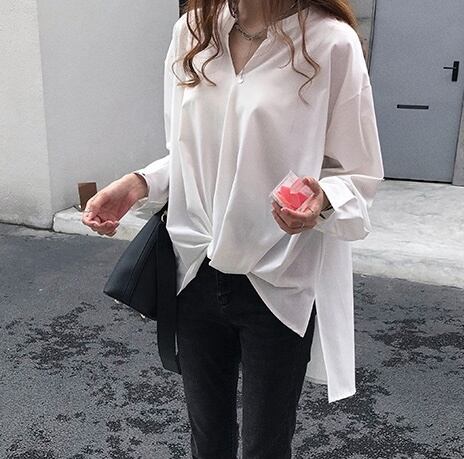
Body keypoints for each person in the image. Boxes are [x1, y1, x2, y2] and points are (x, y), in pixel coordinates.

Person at [82, 0, 384, 457]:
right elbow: (187, 152)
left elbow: (358, 174)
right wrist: (140, 183)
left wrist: (322, 200)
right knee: (208, 441)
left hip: (277, 279)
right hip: (194, 270)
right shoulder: (193, 32)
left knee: (266, 446)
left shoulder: (329, 42)